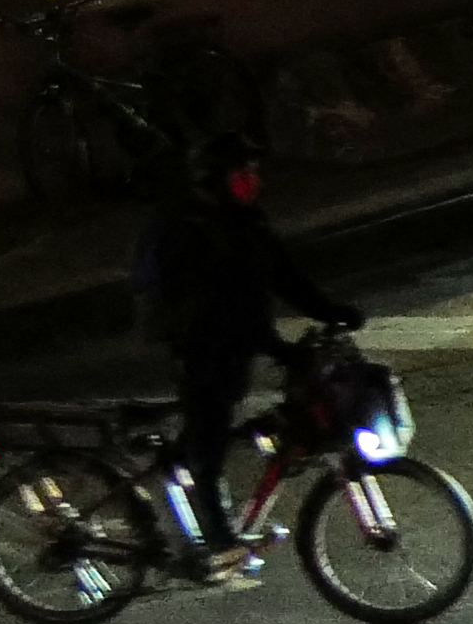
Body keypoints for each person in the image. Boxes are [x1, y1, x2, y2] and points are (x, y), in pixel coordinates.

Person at [131, 142, 345, 559]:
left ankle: (184, 468)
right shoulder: (193, 231)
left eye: (254, 173)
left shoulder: (247, 222)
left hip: (234, 343)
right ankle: (218, 543)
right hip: (200, 346)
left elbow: (285, 275)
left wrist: (331, 311)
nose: (254, 182)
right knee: (209, 439)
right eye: (242, 175)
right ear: (218, 182)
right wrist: (277, 347)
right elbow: (223, 309)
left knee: (232, 420)